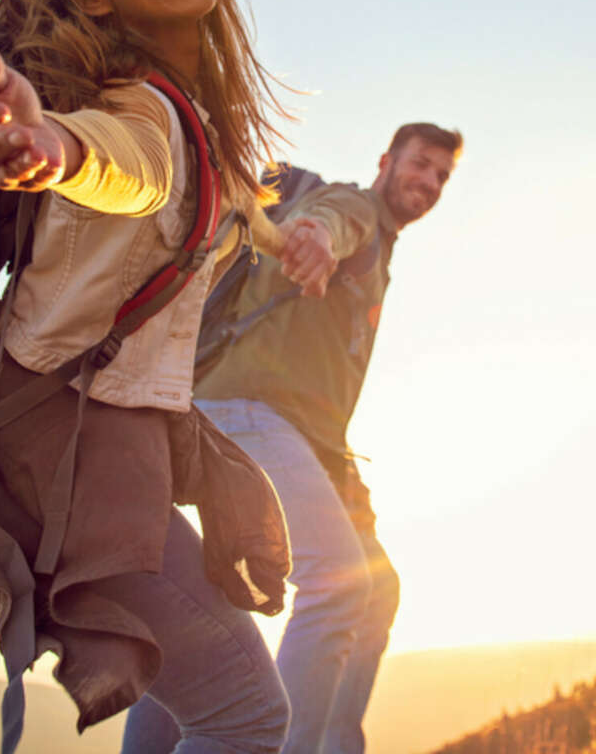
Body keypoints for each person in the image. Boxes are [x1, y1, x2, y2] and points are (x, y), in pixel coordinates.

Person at [0, 0, 336, 753]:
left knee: (188, 684)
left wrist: (291, 235)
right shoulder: (139, 113)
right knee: (245, 711)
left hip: (91, 447)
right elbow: (123, 170)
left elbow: (219, 203)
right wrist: (41, 145)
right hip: (57, 461)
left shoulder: (190, 114)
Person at [123, 123, 462, 754]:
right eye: (421, 164)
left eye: (443, 175)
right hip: (250, 415)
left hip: (275, 429)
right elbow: (332, 216)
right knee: (341, 585)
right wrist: (315, 237)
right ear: (386, 160)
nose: (430, 182)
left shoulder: (380, 254)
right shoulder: (355, 206)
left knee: (363, 589)